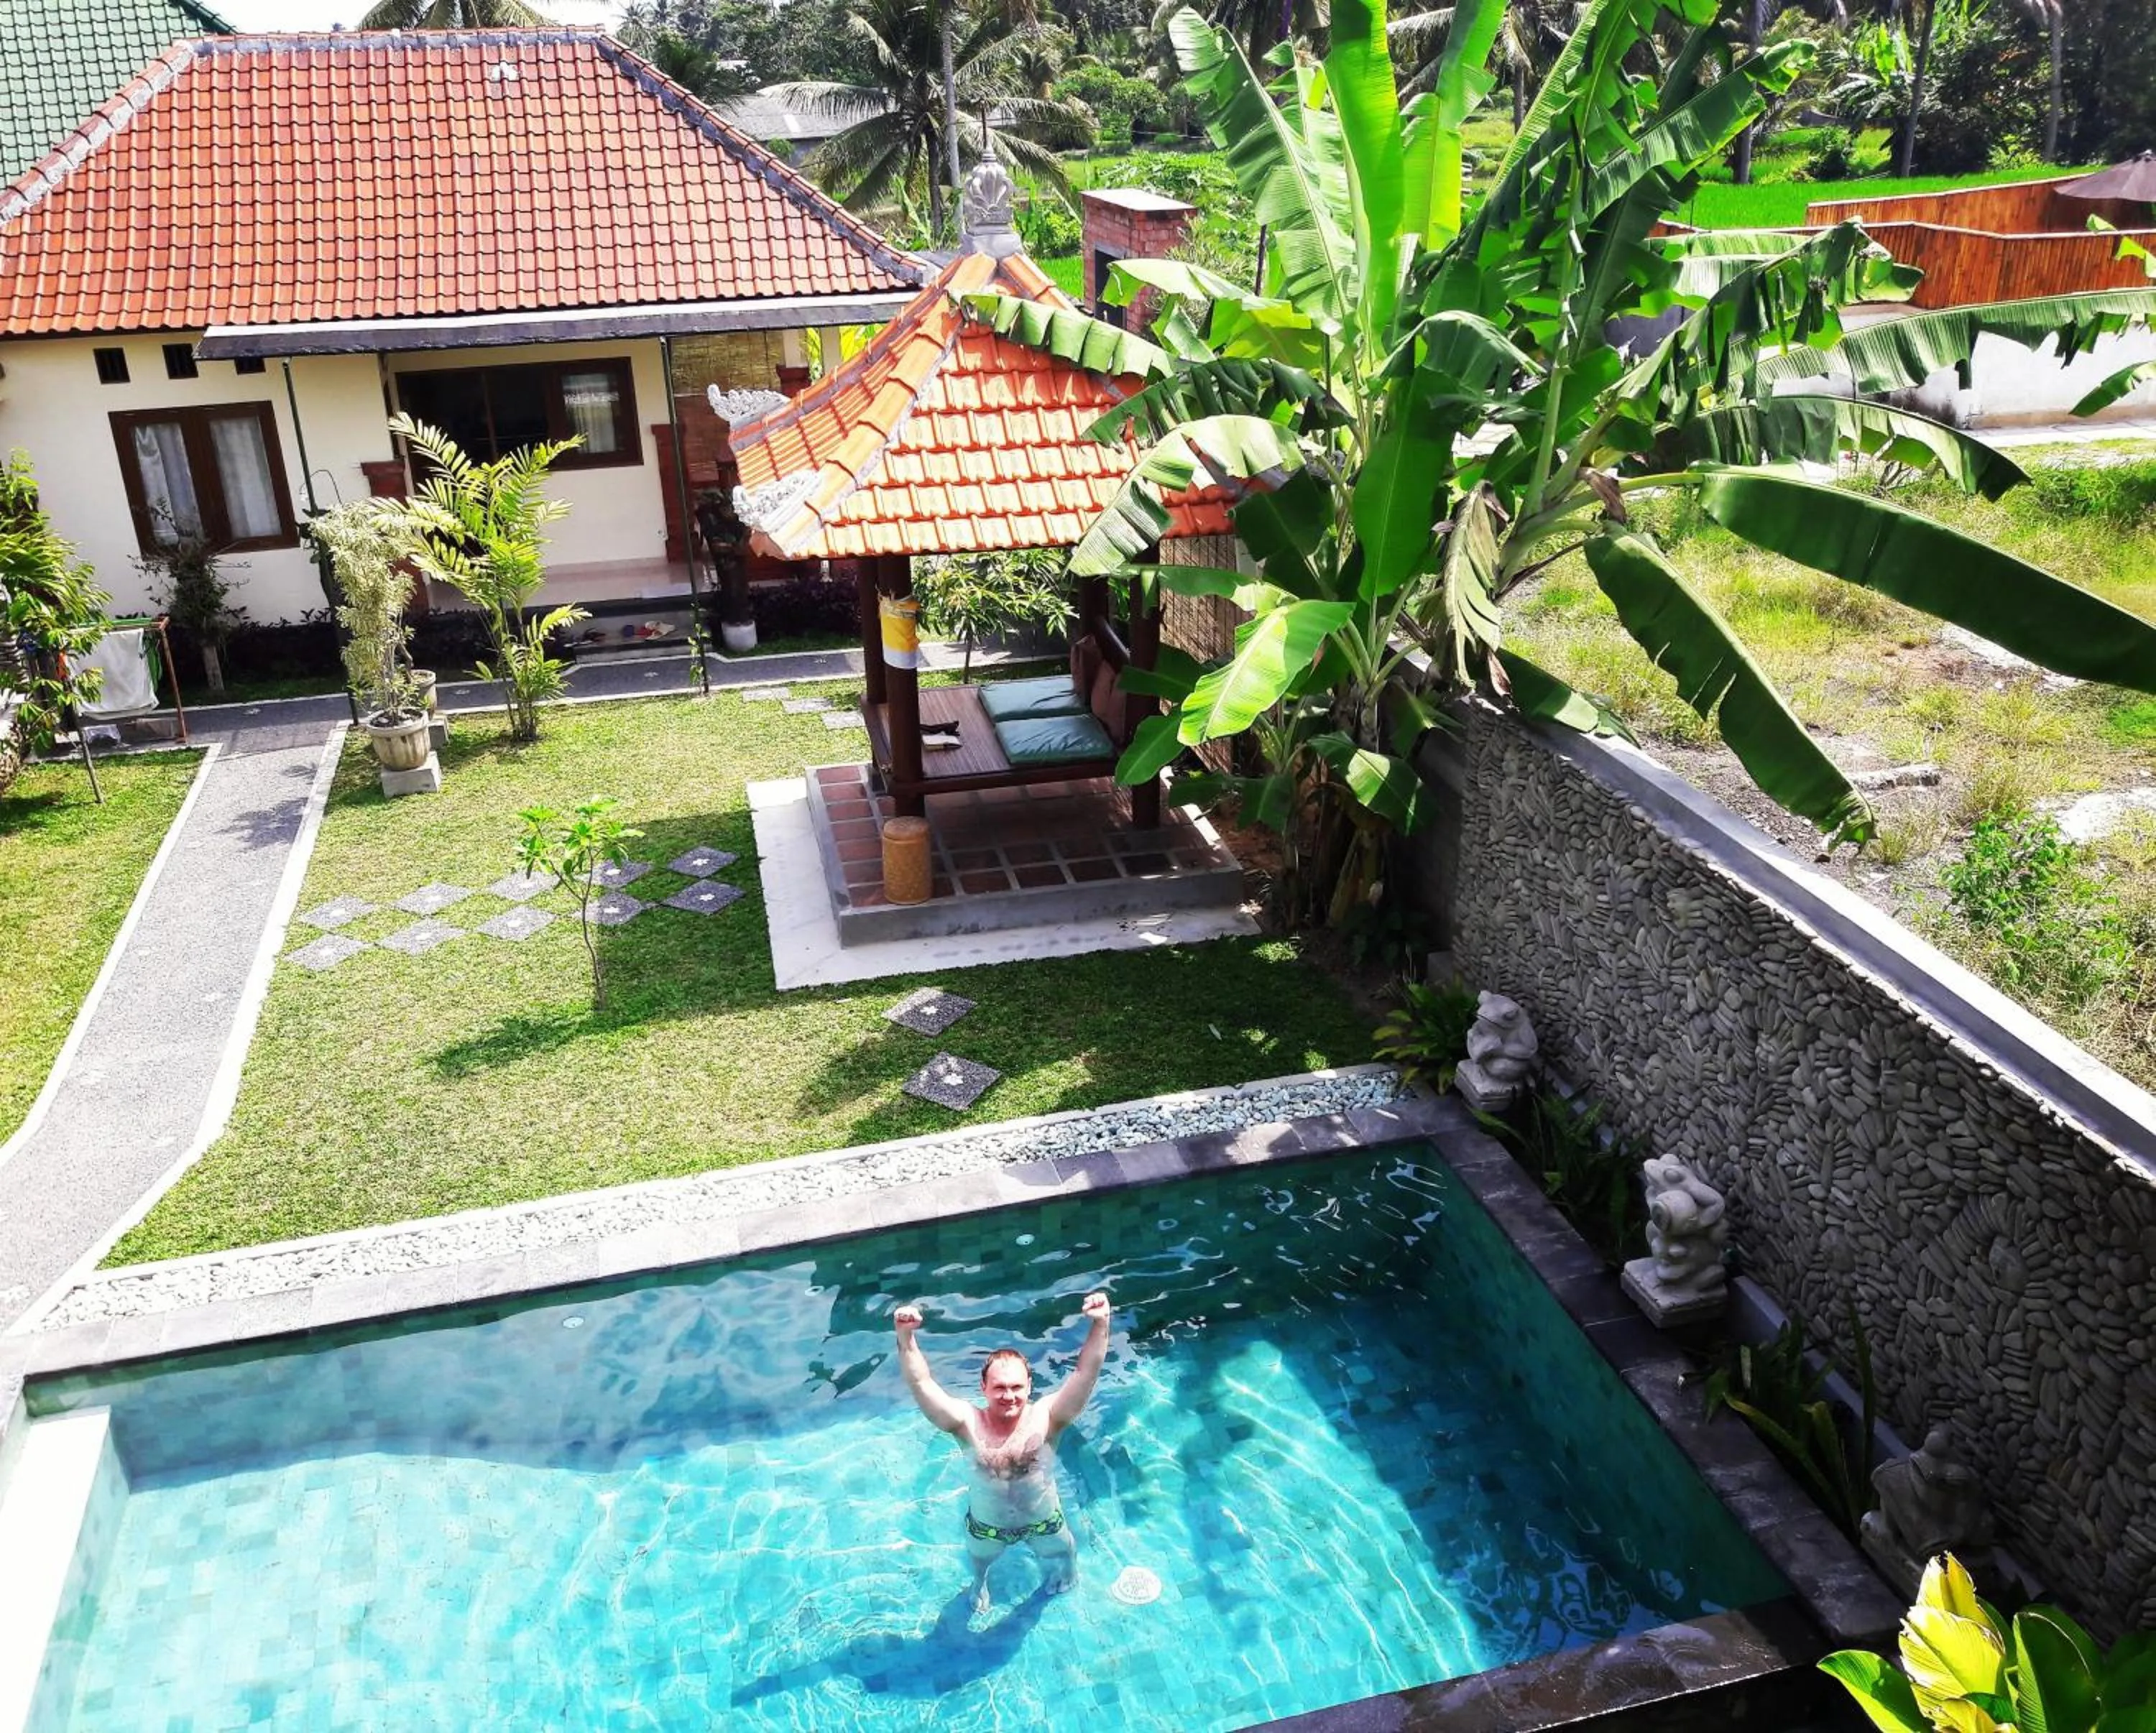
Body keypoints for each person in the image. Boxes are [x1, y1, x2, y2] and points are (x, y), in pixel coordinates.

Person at [893, 1292, 1111, 1614]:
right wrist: (905, 1335)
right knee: (980, 1562)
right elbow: (922, 1383)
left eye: (1016, 1387)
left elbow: (1085, 1374)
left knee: (1064, 1553)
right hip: (986, 1527)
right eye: (999, 1388)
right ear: (984, 1388)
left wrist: (1102, 1322)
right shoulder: (966, 1423)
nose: (1009, 1396)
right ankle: (979, 1583)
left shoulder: (1049, 1417)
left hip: (1044, 1522)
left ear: (1029, 1386)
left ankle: (1069, 1571)